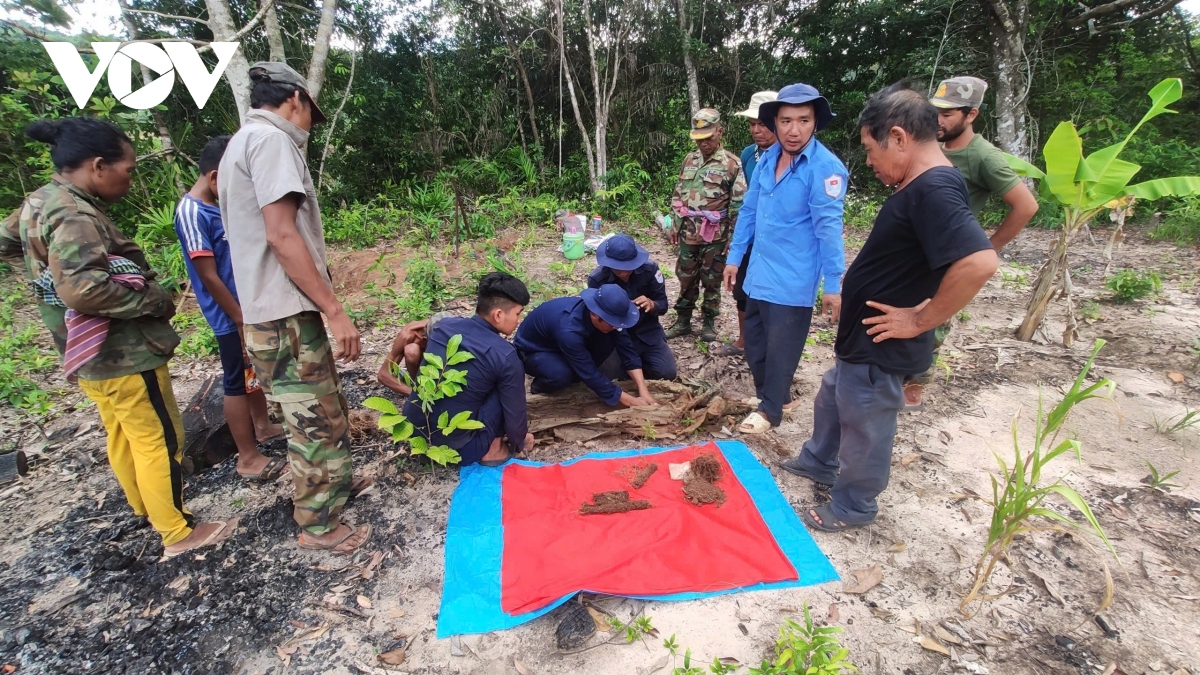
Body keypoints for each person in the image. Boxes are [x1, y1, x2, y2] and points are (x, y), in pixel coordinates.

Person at [781, 83, 999, 531]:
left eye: (869, 148)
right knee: (832, 397)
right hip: (863, 338)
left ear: (898, 138)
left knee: (865, 423)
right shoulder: (920, 185)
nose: (869, 161)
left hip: (884, 343)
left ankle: (853, 506)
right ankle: (819, 460)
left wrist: (921, 319)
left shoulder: (934, 188)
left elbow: (979, 262)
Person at [19, 117, 235, 557]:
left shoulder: (38, 203)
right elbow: (81, 288)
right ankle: (177, 531)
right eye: (129, 168)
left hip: (85, 354)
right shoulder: (75, 214)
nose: (130, 177)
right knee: (159, 436)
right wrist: (153, 301)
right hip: (122, 351)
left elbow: (13, 245)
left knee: (121, 432)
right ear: (99, 166)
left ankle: (146, 508)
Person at [219, 61, 372, 555]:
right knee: (313, 420)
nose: (309, 125)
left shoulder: (241, 142)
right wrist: (334, 310)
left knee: (321, 408)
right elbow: (282, 234)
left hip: (274, 312)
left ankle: (335, 489)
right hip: (284, 311)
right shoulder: (271, 141)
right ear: (296, 99)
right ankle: (319, 525)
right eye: (310, 113)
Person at [901, 76, 1040, 410]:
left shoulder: (982, 156)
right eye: (936, 111)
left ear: (971, 114)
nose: (939, 120)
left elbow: (1026, 205)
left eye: (949, 114)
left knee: (932, 321)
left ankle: (915, 385)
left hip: (948, 255)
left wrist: (988, 247)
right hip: (915, 251)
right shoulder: (929, 145)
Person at [723, 83, 848, 434]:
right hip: (759, 269)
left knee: (782, 349)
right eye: (786, 120)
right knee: (756, 342)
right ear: (774, 123)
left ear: (815, 123)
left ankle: (770, 412)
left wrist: (833, 284)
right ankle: (771, 397)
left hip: (794, 276)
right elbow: (749, 210)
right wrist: (734, 256)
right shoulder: (767, 159)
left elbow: (829, 231)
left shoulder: (825, 169)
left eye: (804, 121)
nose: (794, 130)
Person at [173, 135, 286, 484]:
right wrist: (238, 319)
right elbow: (207, 275)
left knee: (251, 374)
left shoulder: (217, 209)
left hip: (245, 309)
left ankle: (263, 427)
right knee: (236, 381)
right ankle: (247, 457)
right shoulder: (192, 212)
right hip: (228, 316)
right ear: (213, 176)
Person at [403, 273, 533, 467]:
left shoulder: (443, 327)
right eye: (517, 313)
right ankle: (494, 450)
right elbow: (515, 417)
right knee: (504, 385)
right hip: (460, 450)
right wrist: (519, 441)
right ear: (498, 314)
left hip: (414, 434)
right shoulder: (505, 355)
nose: (519, 320)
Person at [665, 108, 747, 342]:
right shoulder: (689, 160)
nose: (703, 144)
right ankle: (683, 321)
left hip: (715, 236)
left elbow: (738, 204)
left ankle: (709, 322)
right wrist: (674, 224)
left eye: (708, 138)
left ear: (720, 132)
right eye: (699, 139)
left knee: (712, 280)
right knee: (685, 277)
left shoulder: (732, 163)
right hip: (687, 233)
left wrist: (732, 239)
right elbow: (678, 194)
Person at [515, 286, 658, 408]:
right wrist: (632, 401)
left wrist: (643, 390)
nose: (616, 327)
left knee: (609, 340)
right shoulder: (569, 329)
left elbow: (627, 351)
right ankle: (540, 387)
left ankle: (574, 375)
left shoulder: (610, 320)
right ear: (595, 315)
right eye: (612, 323)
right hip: (535, 350)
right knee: (560, 374)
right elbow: (588, 371)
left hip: (568, 344)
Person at [718, 90, 778, 357]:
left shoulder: (788, 156)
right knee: (742, 290)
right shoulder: (748, 154)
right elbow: (742, 199)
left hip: (776, 240)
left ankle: (770, 347)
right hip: (749, 235)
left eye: (762, 124)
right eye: (752, 124)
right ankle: (744, 341)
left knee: (770, 296)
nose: (756, 130)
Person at [588, 234, 676, 382]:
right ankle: (629, 368)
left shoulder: (650, 270)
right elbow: (595, 316)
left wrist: (652, 304)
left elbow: (663, 305)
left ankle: (637, 367)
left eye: (629, 268)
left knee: (667, 373)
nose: (624, 273)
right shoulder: (598, 279)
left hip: (646, 333)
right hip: (615, 336)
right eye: (618, 269)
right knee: (610, 376)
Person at [376, 311, 453, 395]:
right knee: (411, 350)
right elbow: (383, 374)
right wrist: (414, 394)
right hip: (423, 367)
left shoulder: (449, 326)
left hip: (442, 366)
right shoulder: (407, 335)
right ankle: (418, 384)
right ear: (425, 337)